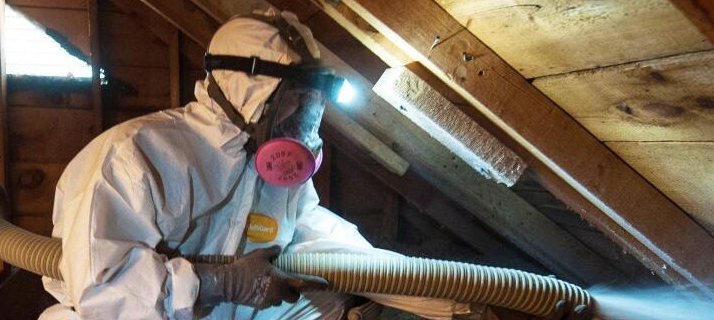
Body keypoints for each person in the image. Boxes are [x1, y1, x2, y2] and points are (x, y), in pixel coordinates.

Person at [38, 10, 588, 320]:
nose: (305, 117)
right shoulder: (135, 156)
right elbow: (102, 291)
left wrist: (443, 303)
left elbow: (315, 236)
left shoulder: (271, 173)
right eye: (294, 100)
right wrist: (218, 282)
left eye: (312, 103)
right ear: (248, 88)